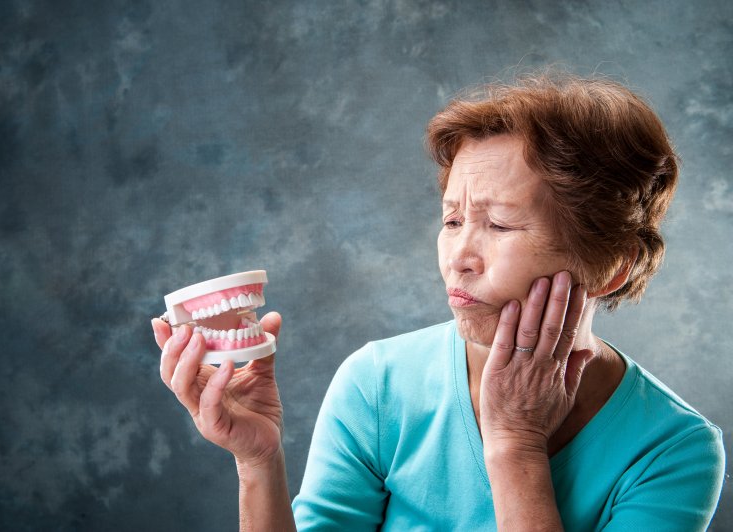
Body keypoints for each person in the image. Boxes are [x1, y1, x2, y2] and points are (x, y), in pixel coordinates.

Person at [152, 72, 725, 530]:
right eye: (452, 220)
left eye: (498, 225)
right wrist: (257, 463)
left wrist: (516, 445)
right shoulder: (377, 383)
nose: (459, 257)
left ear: (611, 267)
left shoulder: (675, 449)